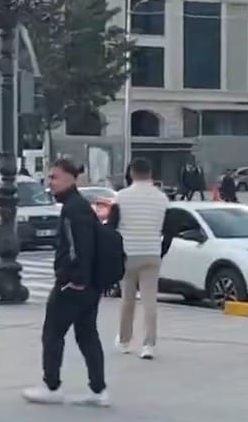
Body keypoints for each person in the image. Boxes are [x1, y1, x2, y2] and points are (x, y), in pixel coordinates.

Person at [24, 158, 109, 407]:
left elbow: (78, 246)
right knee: (87, 335)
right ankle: (98, 389)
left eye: (55, 177)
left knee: (52, 333)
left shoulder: (74, 209)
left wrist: (76, 279)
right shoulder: (79, 206)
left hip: (73, 283)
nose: (50, 182)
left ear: (71, 179)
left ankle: (51, 386)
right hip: (89, 283)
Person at [109, 157, 172, 360]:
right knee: (149, 301)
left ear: (132, 173)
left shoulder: (121, 197)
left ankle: (125, 341)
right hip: (151, 253)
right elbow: (169, 230)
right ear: (150, 173)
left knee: (127, 300)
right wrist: (160, 250)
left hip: (128, 253)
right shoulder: (162, 199)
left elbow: (111, 226)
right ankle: (149, 345)